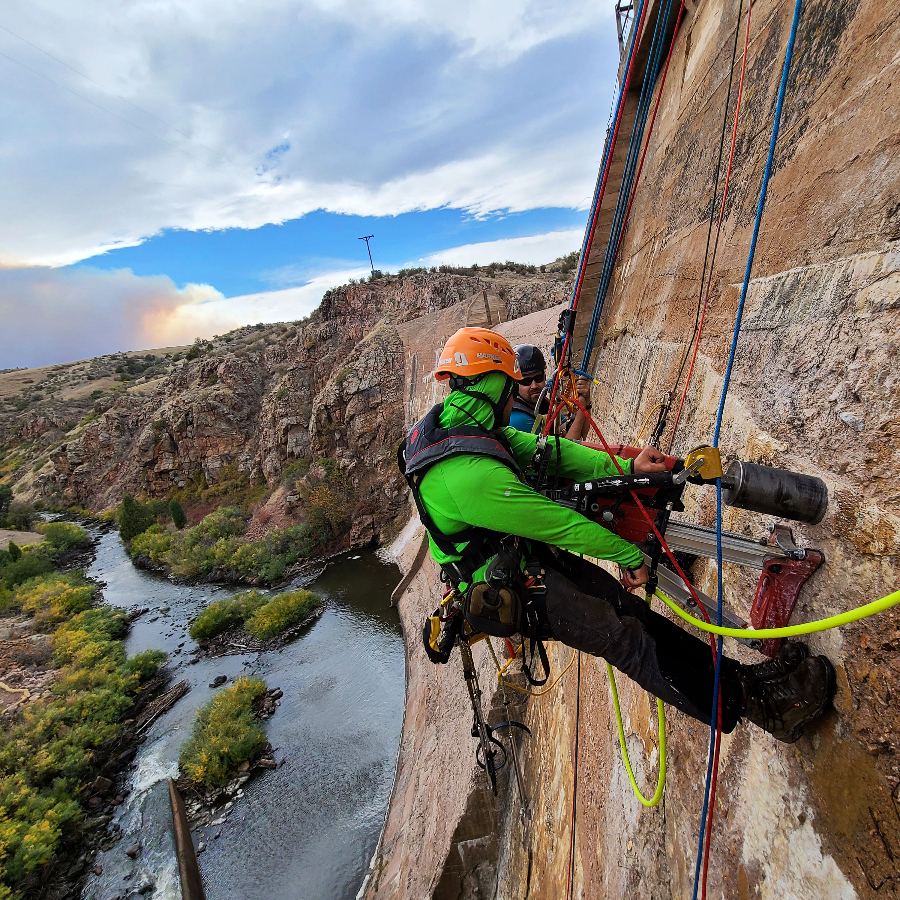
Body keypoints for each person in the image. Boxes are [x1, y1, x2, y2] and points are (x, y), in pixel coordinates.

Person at [400, 327, 835, 743]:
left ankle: (743, 681)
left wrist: (626, 468)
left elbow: (552, 452)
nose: (513, 391)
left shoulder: (465, 425)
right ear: (485, 381)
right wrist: (630, 557)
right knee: (626, 641)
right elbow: (556, 523)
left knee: (632, 615)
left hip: (520, 563)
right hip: (514, 587)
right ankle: (766, 708)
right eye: (506, 381)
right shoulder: (466, 476)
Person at [509, 343, 593, 440]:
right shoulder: (519, 420)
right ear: (515, 384)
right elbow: (569, 450)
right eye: (526, 381)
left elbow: (579, 433)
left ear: (544, 377)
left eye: (538, 378)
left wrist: (586, 403)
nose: (534, 385)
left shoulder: (542, 405)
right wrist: (581, 404)